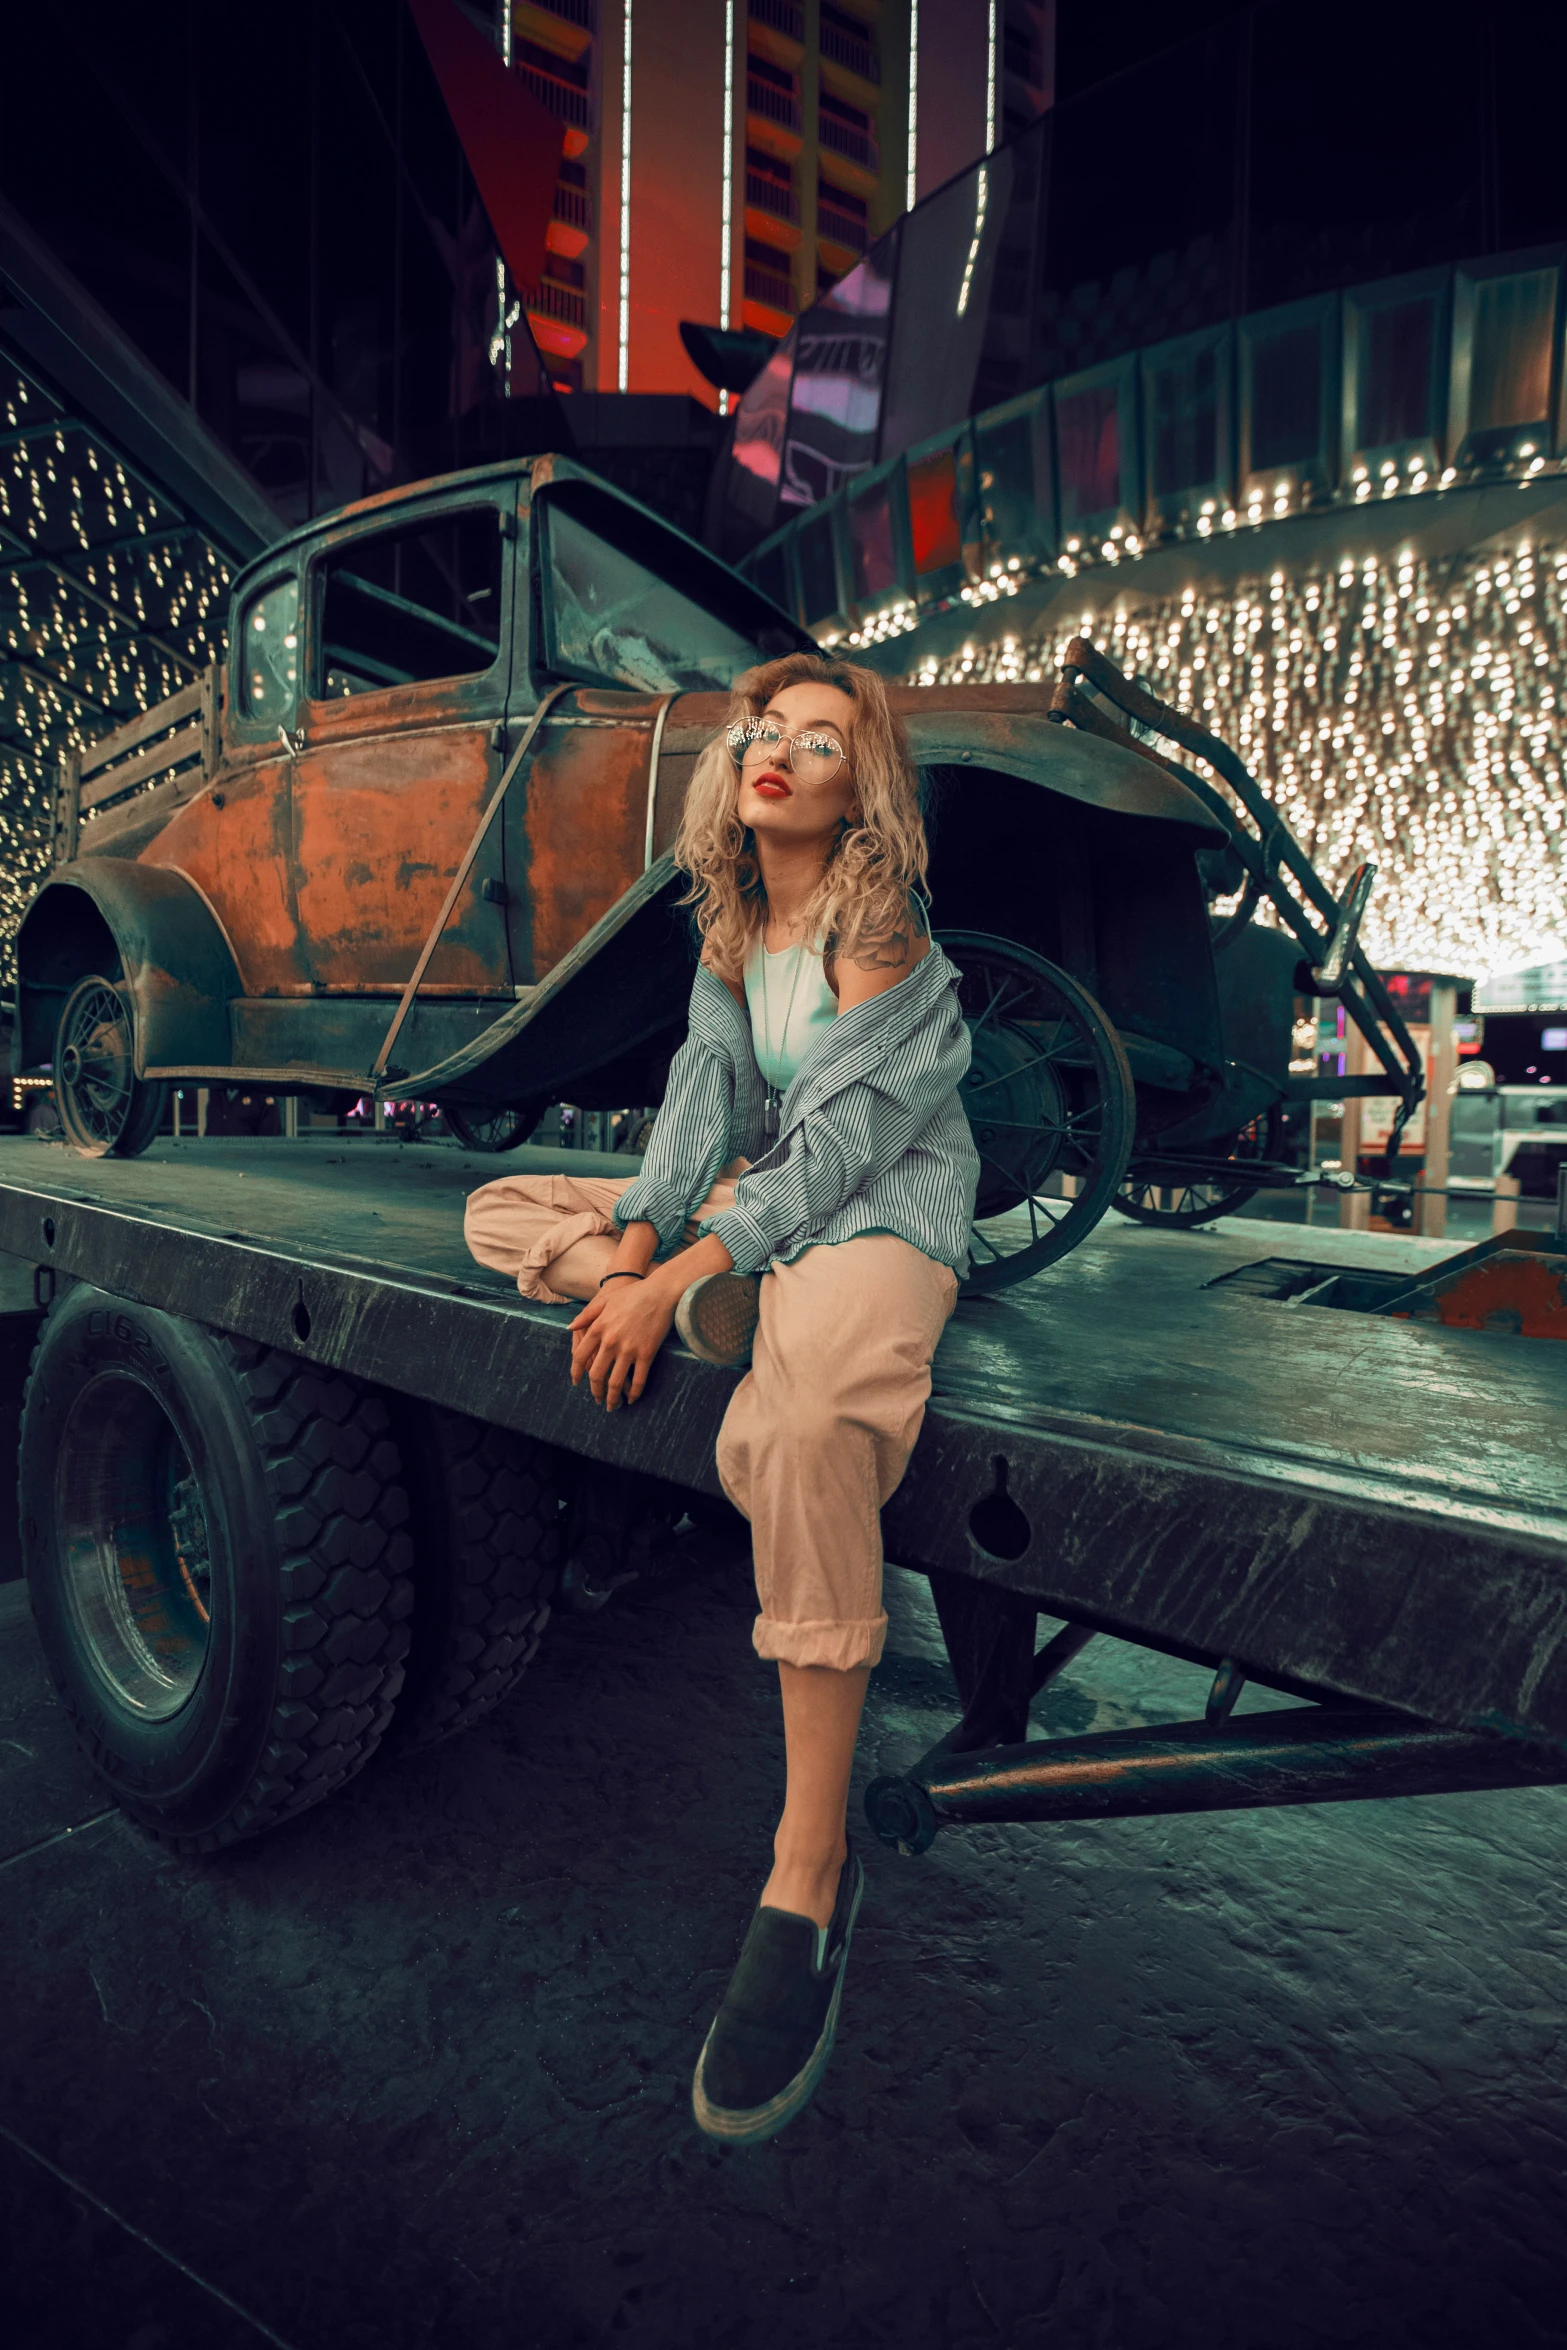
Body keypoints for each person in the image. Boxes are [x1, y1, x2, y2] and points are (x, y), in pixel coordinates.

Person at [463, 654, 978, 2144]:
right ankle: (706, 1304)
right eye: (765, 728)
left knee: (802, 1427)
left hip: (878, 1209)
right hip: (757, 1212)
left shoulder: (884, 932)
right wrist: (635, 1249)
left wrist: (683, 1255)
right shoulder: (731, 916)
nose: (780, 751)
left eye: (820, 741)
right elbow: (699, 1097)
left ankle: (807, 1862)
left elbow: (830, 1160)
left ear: (852, 784)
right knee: (498, 1210)